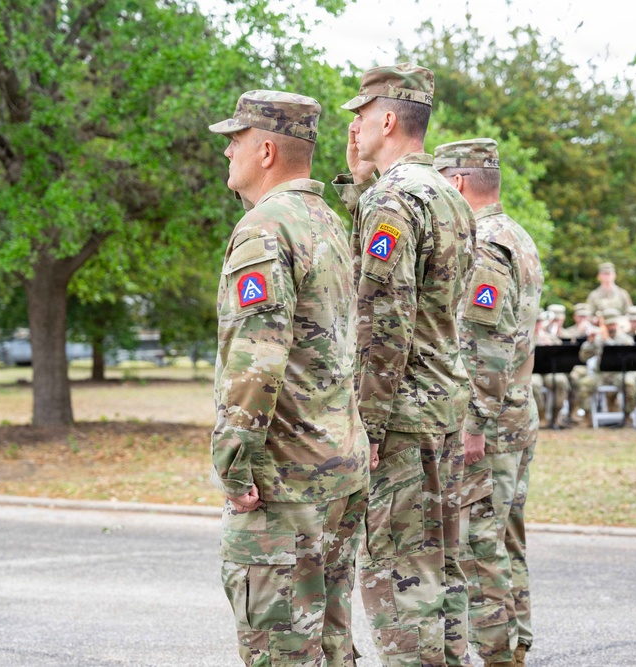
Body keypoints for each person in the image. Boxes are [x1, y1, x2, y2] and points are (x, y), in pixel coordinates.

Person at [208, 90, 369, 667]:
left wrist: (234, 459)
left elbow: (258, 360)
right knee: (329, 639)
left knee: (280, 647)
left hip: (284, 479)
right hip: (337, 466)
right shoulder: (329, 222)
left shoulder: (265, 229)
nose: (228, 150)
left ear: (267, 149)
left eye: (237, 139)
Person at [332, 63, 475, 667]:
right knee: (442, 567)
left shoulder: (392, 201)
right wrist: (358, 178)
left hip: (402, 417)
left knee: (398, 579)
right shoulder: (447, 193)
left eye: (360, 118)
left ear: (387, 118)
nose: (355, 130)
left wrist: (364, 422)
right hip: (441, 406)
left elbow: (382, 325)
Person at [435, 137, 543, 667]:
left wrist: (474, 423)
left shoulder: (483, 243)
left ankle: (501, 653)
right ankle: (517, 641)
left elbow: (486, 344)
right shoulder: (517, 235)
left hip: (492, 422)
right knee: (504, 539)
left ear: (456, 183)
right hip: (516, 411)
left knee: (479, 547)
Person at [578, 308, 636, 418]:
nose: (611, 327)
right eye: (608, 324)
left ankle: (627, 414)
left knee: (630, 384)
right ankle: (588, 416)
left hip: (619, 373)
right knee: (584, 384)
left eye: (613, 324)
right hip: (600, 373)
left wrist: (607, 341)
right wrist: (589, 343)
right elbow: (583, 358)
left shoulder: (626, 339)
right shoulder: (597, 338)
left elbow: (626, 358)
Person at [531, 311, 571, 427]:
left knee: (561, 381)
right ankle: (542, 415)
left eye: (539, 322)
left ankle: (556, 416)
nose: (537, 325)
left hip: (551, 370)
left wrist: (552, 345)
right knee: (534, 384)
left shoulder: (550, 337)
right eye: (535, 322)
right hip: (533, 371)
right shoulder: (525, 338)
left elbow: (562, 355)